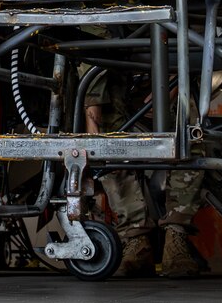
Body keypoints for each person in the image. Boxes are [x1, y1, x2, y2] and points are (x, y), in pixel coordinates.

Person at [85, 69, 206, 277]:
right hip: (116, 77)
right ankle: (136, 240)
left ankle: (176, 237)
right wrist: (92, 105)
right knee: (103, 139)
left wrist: (172, 84)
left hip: (173, 71)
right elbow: (91, 52)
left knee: (191, 126)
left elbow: (197, 44)